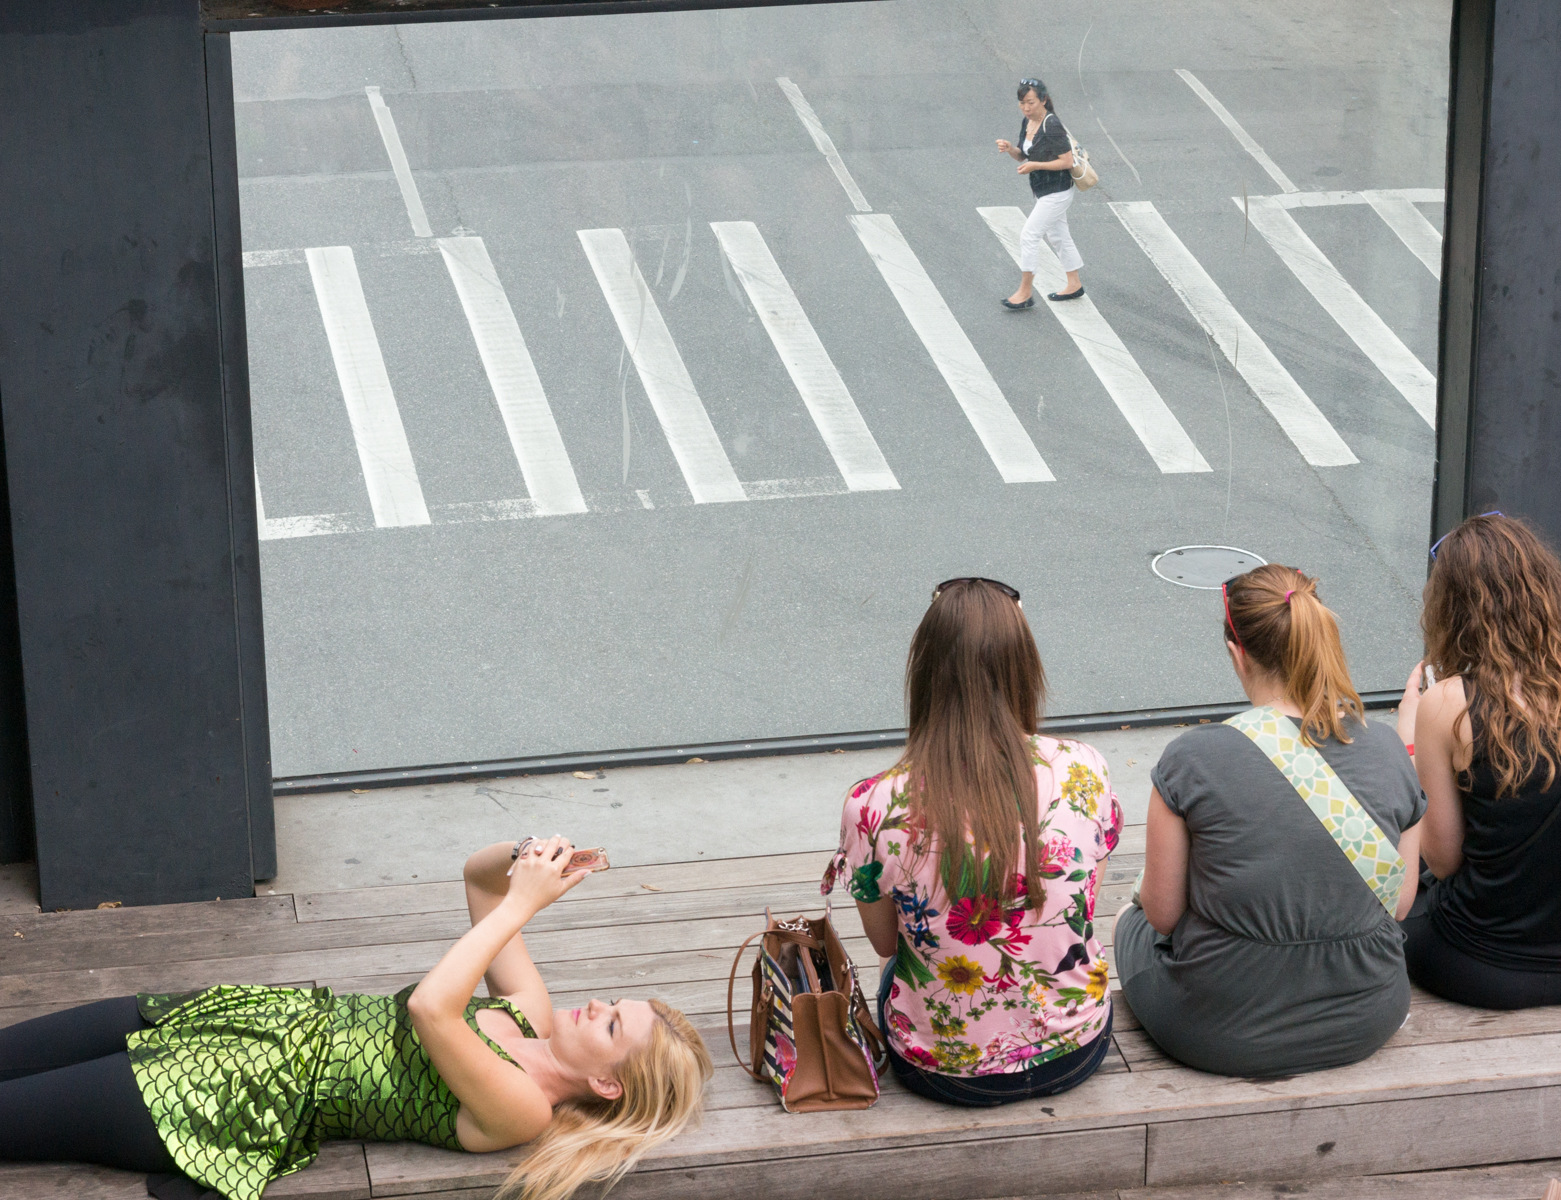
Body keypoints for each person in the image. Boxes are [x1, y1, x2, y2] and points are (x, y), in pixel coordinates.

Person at [0, 836, 712, 1200]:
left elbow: (435, 1011)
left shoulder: (523, 1110)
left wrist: (524, 905)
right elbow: (477, 878)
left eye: (612, 1026)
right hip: (234, 1018)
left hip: (223, 1095)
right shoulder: (526, 1013)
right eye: (616, 1001)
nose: (597, 1006)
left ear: (610, 1086)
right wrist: (527, 854)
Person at [1114, 565, 1424, 1077]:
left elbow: (1164, 916)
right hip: (1366, 1016)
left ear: (1238, 654)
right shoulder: (1388, 749)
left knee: (1131, 921)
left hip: (1219, 1030)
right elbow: (1400, 902)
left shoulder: (1193, 758)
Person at [825, 577, 1121, 1105]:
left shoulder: (873, 806)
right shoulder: (1084, 768)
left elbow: (888, 944)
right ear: (1024, 667)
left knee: (906, 964)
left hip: (943, 1071)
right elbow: (1082, 905)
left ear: (926, 674)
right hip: (1076, 1047)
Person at [1398, 513, 1561, 1008]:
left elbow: (1443, 861)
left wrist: (1409, 738)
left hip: (1482, 965)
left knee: (1391, 901)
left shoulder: (1449, 703)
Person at [995, 78, 1083, 309]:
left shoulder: (1051, 125)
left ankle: (1025, 292)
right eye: (1022, 103)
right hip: (1042, 190)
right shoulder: (1028, 121)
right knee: (1059, 236)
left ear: (1043, 100)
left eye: (1031, 102)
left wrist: (1036, 166)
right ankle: (1074, 284)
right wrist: (1010, 149)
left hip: (1058, 191)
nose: (1026, 107)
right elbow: (1024, 155)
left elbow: (1066, 161)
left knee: (1029, 236)